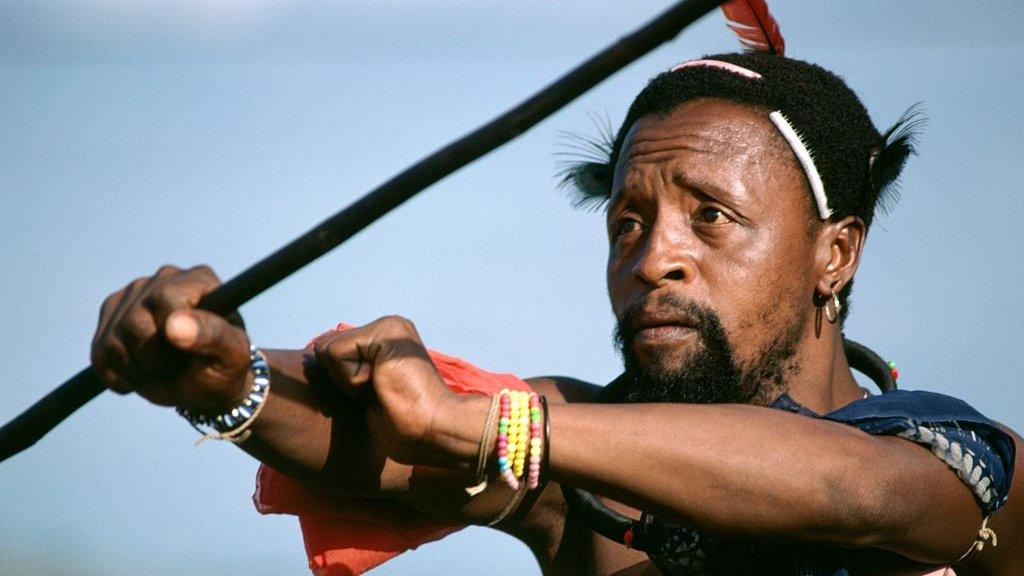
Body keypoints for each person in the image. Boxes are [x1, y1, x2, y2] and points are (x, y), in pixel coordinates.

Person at [89, 53, 1022, 575]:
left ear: (837, 253)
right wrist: (227, 378)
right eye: (628, 221)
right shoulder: (580, 462)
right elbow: (390, 438)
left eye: (712, 217)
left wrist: (483, 421)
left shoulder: (959, 460)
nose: (652, 256)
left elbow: (853, 493)